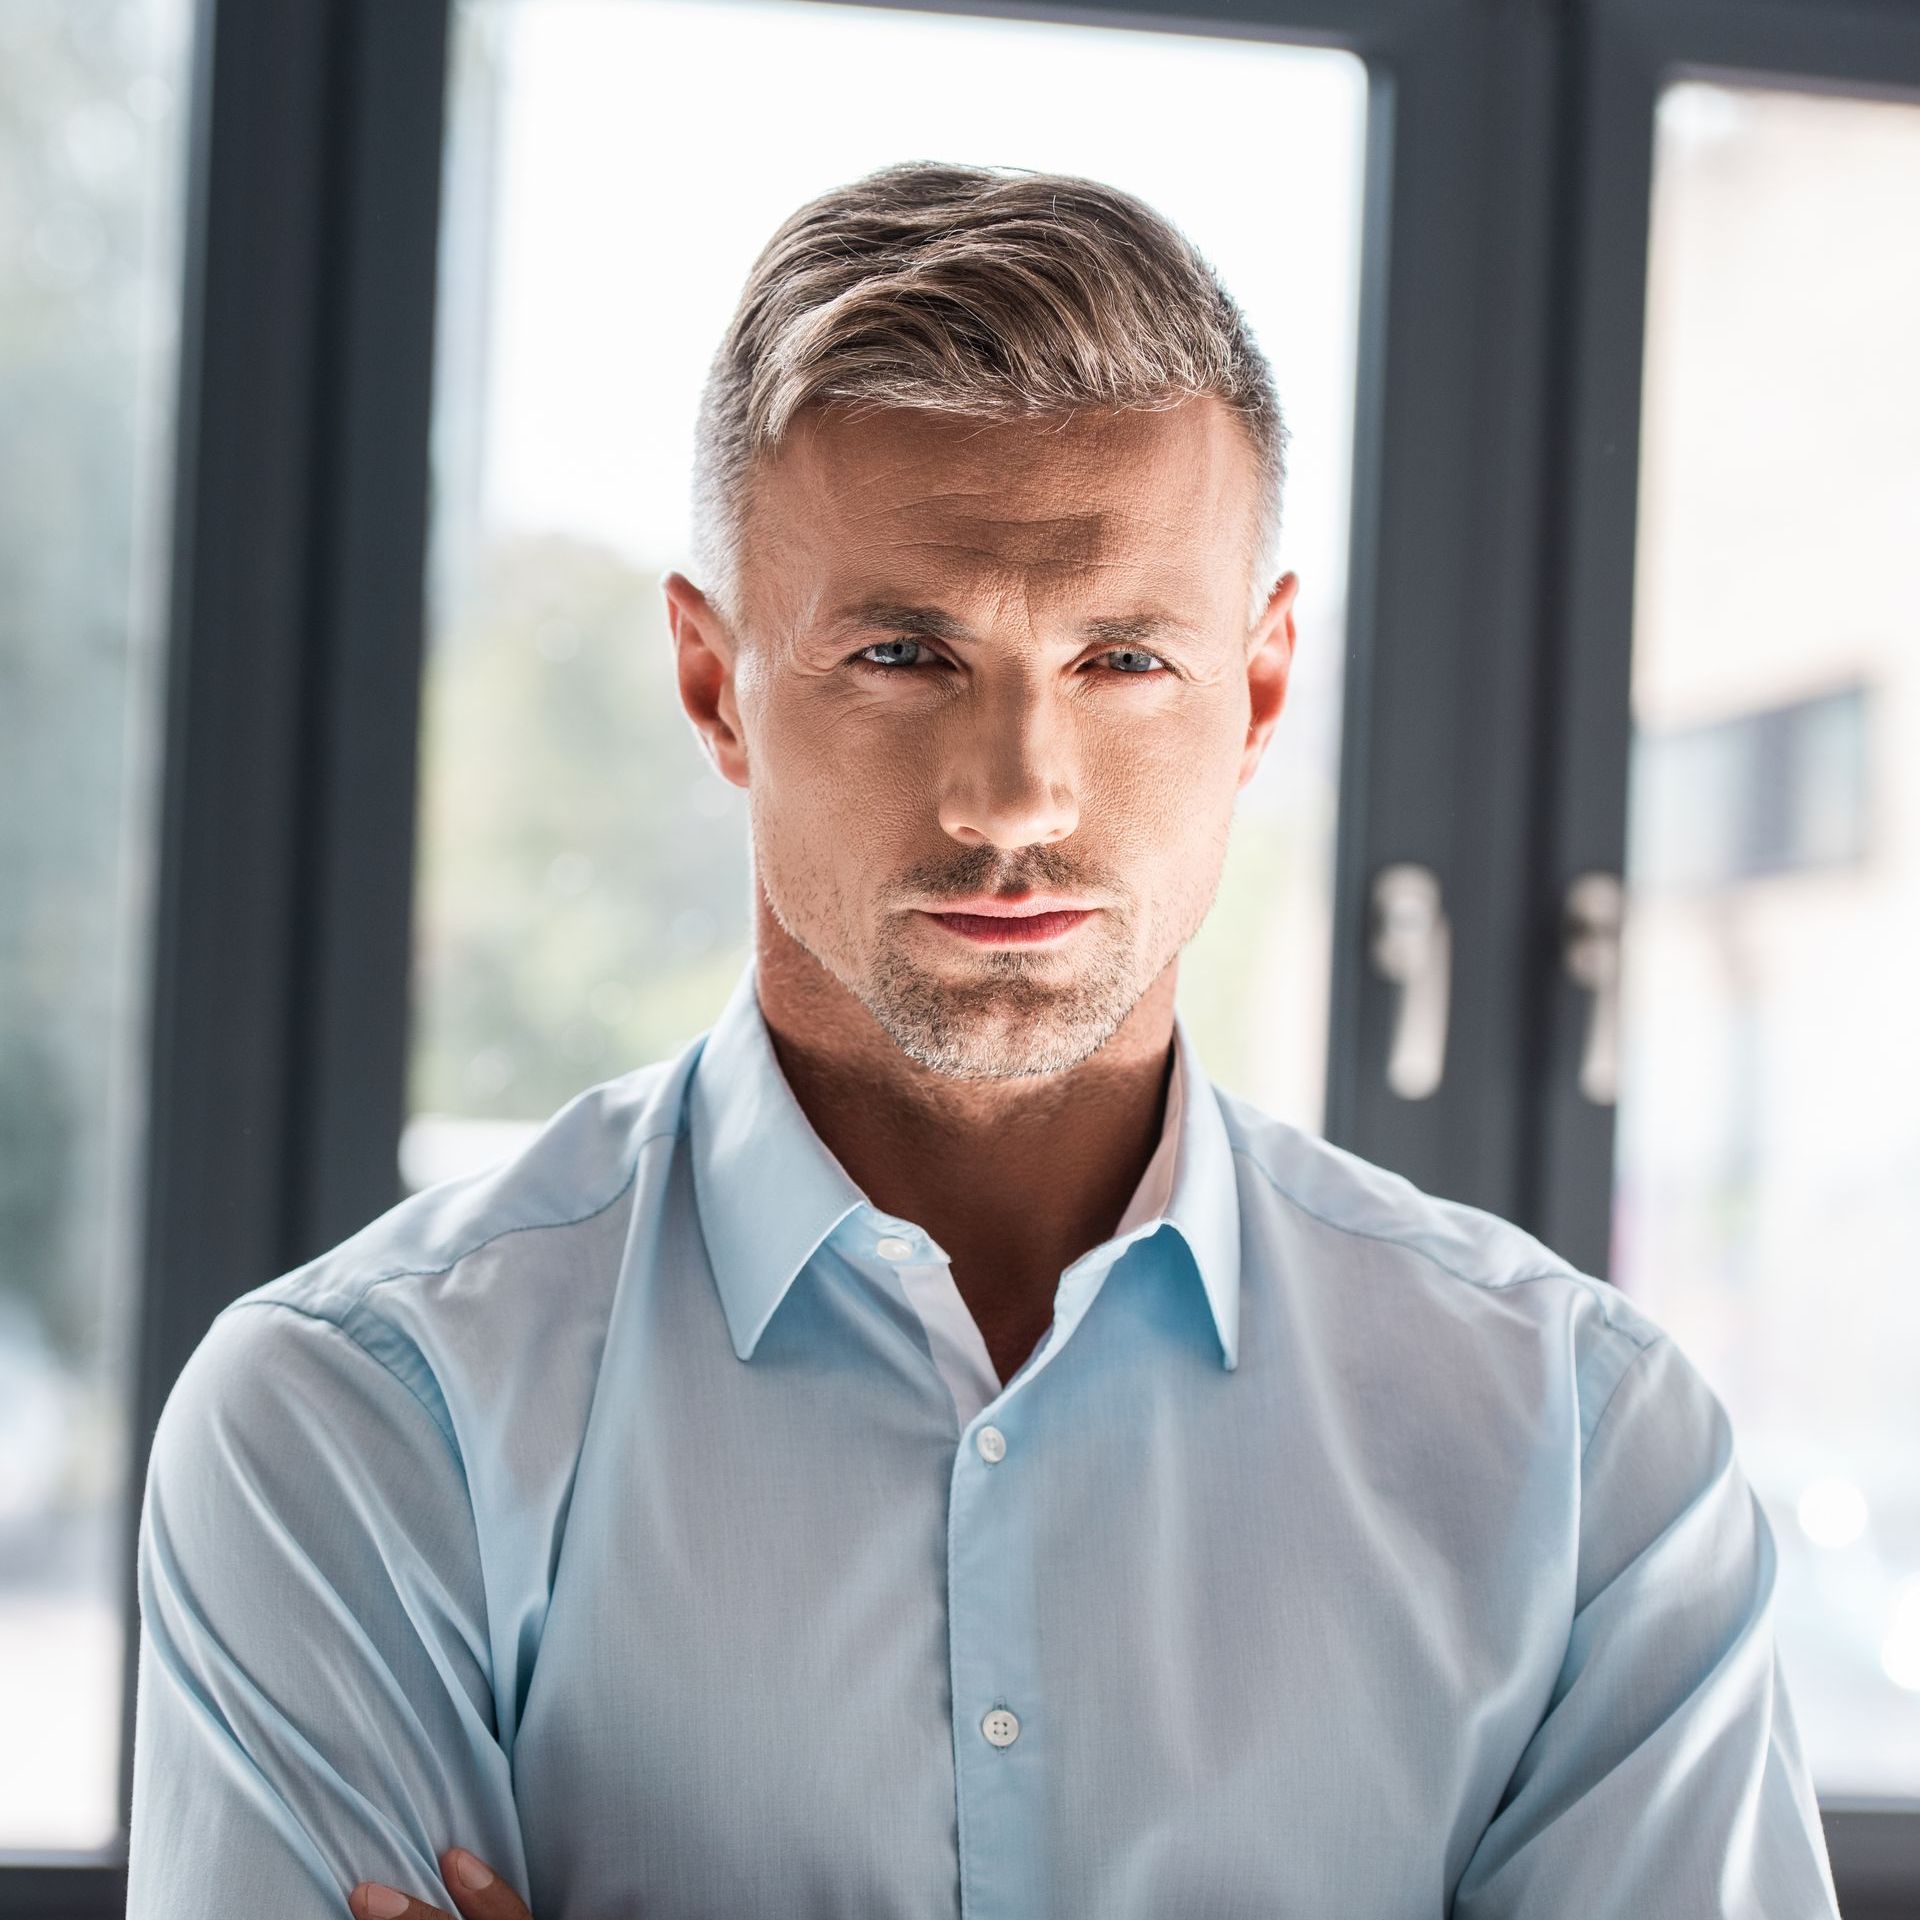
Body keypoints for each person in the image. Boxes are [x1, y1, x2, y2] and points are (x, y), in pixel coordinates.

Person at [125, 160, 1841, 1920]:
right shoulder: (357, 1424)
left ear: (1256, 690)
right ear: (718, 686)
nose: (1015, 795)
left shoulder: (1587, 1461)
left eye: (1121, 661)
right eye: (900, 652)